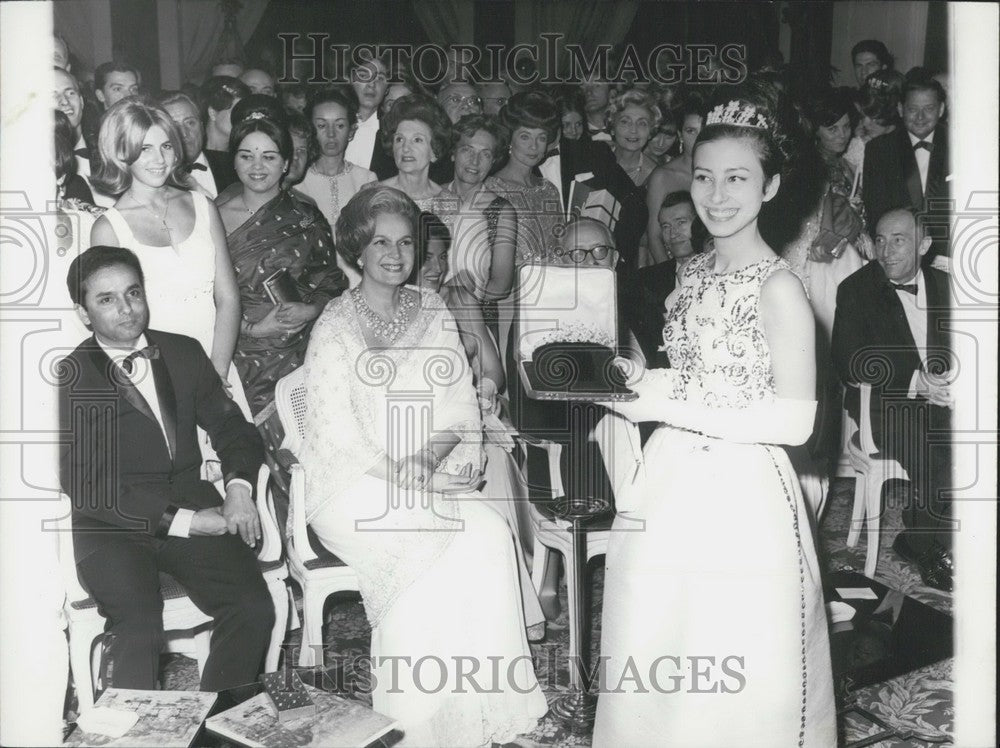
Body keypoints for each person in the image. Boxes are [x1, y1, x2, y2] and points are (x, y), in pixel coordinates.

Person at [594, 84, 836, 746]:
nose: (717, 194)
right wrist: (637, 380)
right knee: (658, 636)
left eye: (738, 178)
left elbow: (794, 422)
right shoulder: (692, 272)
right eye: (704, 176)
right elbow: (697, 374)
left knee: (732, 654)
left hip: (743, 490)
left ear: (770, 186)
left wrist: (667, 399)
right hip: (671, 476)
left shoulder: (781, 289)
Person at [301, 186, 547, 745]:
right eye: (381, 242)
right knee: (423, 543)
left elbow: (459, 401)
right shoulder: (334, 325)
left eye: (406, 243)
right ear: (356, 250)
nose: (395, 254)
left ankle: (482, 711)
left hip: (423, 467)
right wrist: (409, 473)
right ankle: (415, 724)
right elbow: (338, 436)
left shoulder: (432, 307)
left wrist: (429, 458)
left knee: (486, 530)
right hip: (353, 482)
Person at [58, 246, 273, 693]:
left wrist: (237, 488)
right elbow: (87, 483)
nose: (127, 308)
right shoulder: (75, 373)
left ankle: (217, 724)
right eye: (107, 299)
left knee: (252, 606)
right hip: (111, 525)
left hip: (189, 495)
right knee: (138, 624)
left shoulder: (181, 351)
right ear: (83, 312)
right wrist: (190, 522)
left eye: (133, 293)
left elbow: (234, 428)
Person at [412, 213, 545, 639]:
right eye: (426, 257)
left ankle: (508, 607)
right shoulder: (390, 305)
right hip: (412, 425)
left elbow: (493, 370)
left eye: (441, 256)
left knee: (493, 461)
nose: (435, 267)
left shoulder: (459, 298)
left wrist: (479, 395)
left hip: (469, 414)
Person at [217, 111, 347, 506]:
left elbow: (332, 282)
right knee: (245, 457)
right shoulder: (212, 215)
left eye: (269, 157)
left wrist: (311, 311)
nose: (257, 167)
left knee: (303, 453)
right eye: (246, 155)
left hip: (299, 354)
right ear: (233, 159)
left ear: (288, 163)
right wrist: (255, 330)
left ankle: (306, 538)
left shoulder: (305, 216)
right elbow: (203, 295)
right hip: (236, 352)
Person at [89, 96, 248, 417]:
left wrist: (216, 376)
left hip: (218, 367)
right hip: (156, 373)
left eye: (166, 146)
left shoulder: (203, 205)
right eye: (145, 149)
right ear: (122, 153)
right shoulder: (109, 228)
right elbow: (115, 323)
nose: (159, 159)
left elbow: (228, 297)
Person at [832, 208, 954, 591]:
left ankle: (918, 535)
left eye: (898, 240)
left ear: (924, 244)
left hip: (945, 397)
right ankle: (933, 547)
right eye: (880, 240)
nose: (886, 250)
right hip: (883, 403)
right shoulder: (856, 289)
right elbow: (850, 361)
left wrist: (957, 380)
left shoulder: (947, 284)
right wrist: (917, 381)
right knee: (934, 451)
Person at [862, 73, 950, 257]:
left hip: (950, 254)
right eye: (912, 109)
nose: (920, 117)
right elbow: (875, 211)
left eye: (929, 108)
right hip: (898, 255)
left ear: (941, 109)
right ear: (901, 109)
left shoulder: (962, 145)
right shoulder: (879, 150)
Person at [441, 113, 517, 302]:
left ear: (493, 161)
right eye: (467, 150)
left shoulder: (501, 211)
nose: (475, 161)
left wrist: (455, 300)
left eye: (485, 154)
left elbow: (501, 287)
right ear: (453, 153)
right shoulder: (430, 197)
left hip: (476, 315)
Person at [623, 190, 706, 363]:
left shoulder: (721, 274)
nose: (672, 233)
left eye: (681, 222)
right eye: (665, 226)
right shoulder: (644, 281)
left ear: (701, 223)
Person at [296, 86, 377, 260]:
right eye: (321, 125)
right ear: (310, 130)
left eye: (339, 125)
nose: (331, 134)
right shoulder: (297, 181)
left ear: (351, 131)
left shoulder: (366, 179)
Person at [377, 93, 458, 223]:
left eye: (417, 140)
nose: (405, 148)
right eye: (399, 139)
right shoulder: (372, 195)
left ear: (434, 151)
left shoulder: (449, 204)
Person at [645, 96, 704, 263]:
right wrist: (671, 280)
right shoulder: (662, 176)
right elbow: (654, 238)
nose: (698, 139)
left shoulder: (721, 172)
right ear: (680, 135)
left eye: (703, 130)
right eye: (691, 131)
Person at [160, 90, 223, 198]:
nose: (184, 133)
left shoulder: (230, 164)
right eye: (174, 126)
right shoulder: (158, 178)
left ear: (202, 127)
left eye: (190, 123)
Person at [200, 76, 251, 192]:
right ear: (212, 112)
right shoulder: (194, 159)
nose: (244, 119)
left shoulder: (243, 160)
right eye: (236, 112)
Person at [344, 55, 391, 175]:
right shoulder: (331, 123)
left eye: (380, 78)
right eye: (364, 76)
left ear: (387, 89)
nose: (371, 84)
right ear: (349, 79)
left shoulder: (391, 132)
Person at [608, 88, 660, 186]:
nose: (633, 130)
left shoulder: (655, 175)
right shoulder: (597, 158)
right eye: (625, 122)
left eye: (642, 123)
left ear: (650, 132)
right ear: (612, 127)